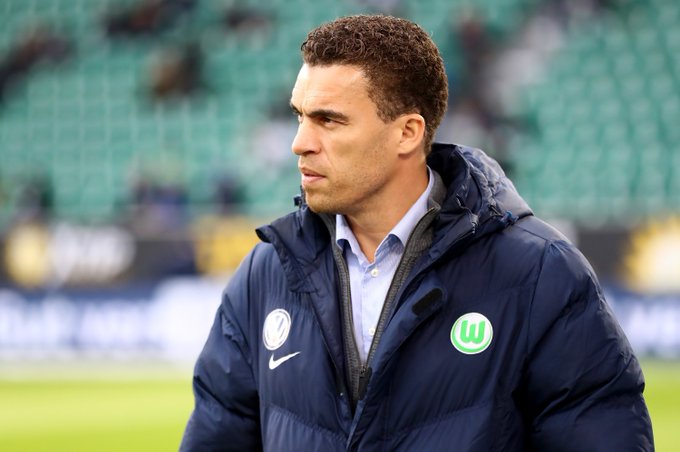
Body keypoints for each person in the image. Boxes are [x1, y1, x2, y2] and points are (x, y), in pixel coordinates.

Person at [181, 15, 653, 451]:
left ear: (407, 133)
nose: (299, 143)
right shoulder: (266, 273)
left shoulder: (541, 275)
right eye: (299, 116)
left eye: (329, 120)